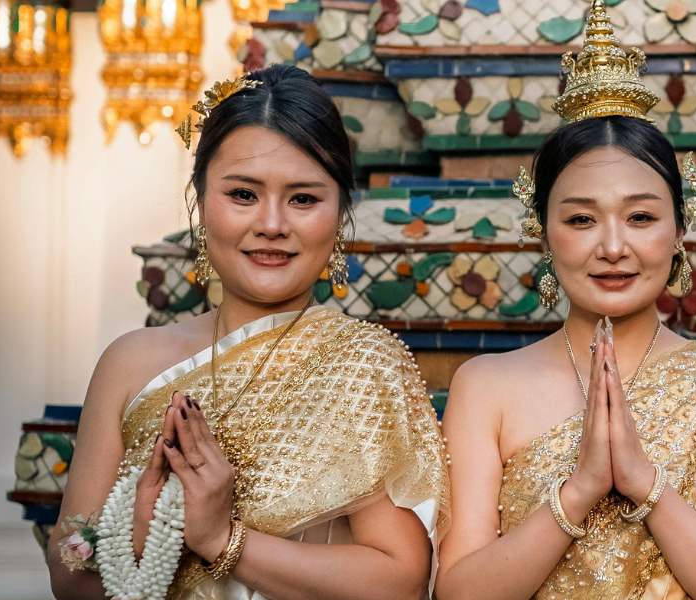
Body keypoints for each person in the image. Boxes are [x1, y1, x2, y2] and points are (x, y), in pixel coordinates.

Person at [46, 64, 448, 599]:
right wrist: (143, 528)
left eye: (303, 199)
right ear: (199, 200)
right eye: (242, 194)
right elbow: (67, 579)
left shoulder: (366, 364)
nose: (272, 224)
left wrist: (221, 538)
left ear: (340, 214)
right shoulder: (130, 363)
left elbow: (400, 582)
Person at [432, 2, 696, 598]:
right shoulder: (486, 387)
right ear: (542, 232)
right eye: (581, 219)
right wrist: (580, 490)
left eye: (641, 217)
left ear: (679, 230)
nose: (614, 247)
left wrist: (645, 483)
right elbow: (458, 592)